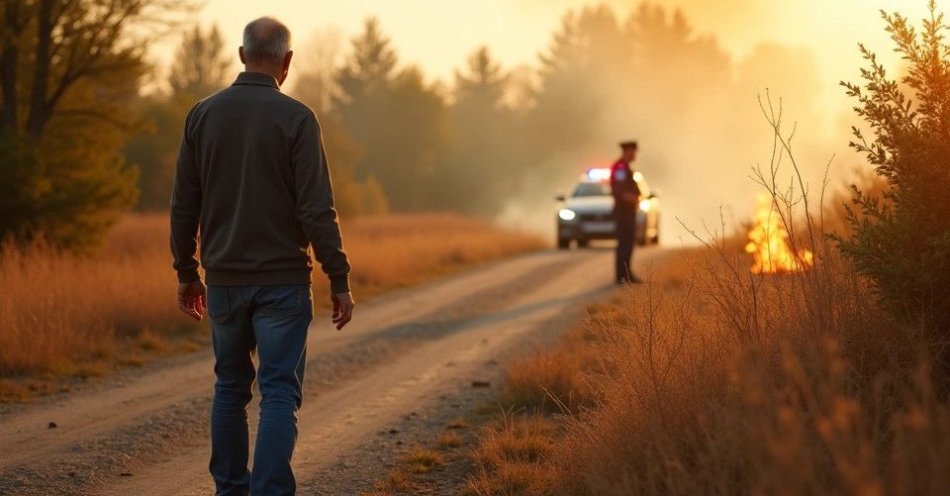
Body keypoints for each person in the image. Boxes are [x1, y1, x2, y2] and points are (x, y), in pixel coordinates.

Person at [170, 17, 355, 496]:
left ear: (240, 54)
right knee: (278, 393)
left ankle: (230, 489)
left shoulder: (201, 116)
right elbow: (317, 210)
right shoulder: (297, 119)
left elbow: (183, 204)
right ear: (287, 62)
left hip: (225, 282)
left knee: (230, 390)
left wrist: (187, 273)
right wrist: (339, 278)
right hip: (283, 284)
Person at [610, 140, 642, 284]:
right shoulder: (621, 167)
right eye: (634, 151)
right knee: (624, 243)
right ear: (628, 151)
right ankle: (622, 276)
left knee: (627, 243)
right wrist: (633, 199)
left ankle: (625, 274)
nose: (635, 154)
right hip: (624, 212)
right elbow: (619, 191)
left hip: (627, 212)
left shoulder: (625, 167)